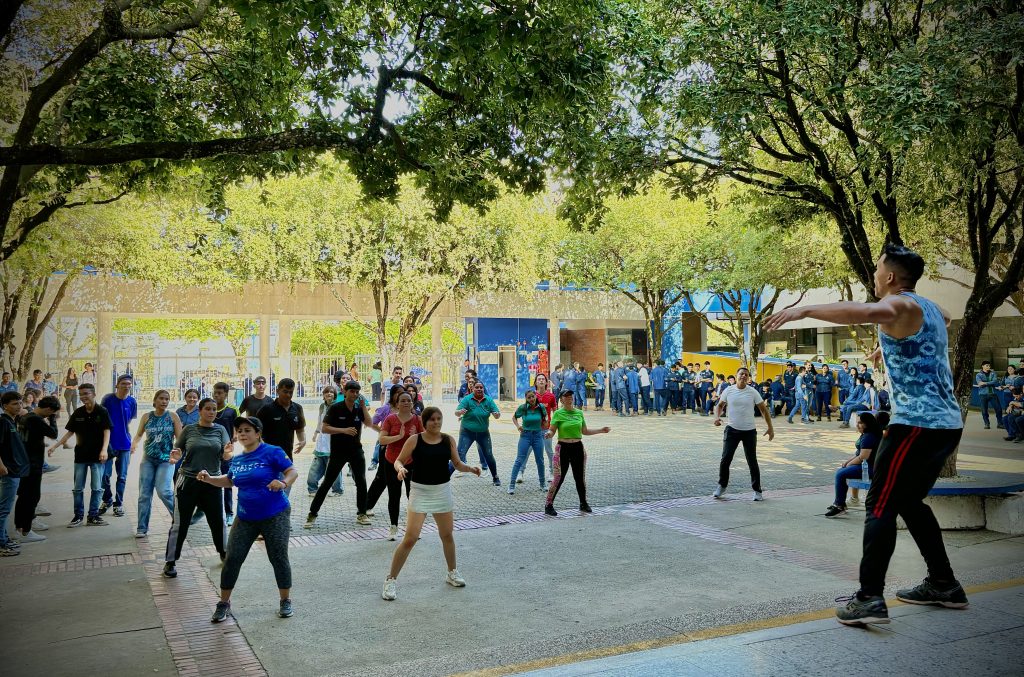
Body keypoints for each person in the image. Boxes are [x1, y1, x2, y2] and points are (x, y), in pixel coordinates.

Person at [765, 243, 969, 626]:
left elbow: (865, 311)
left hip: (915, 425)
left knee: (879, 505)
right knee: (910, 503)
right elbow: (943, 315)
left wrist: (804, 308)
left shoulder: (898, 306)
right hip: (946, 424)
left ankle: (869, 598)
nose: (875, 276)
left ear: (890, 277)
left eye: (878, 270)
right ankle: (943, 583)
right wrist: (887, 348)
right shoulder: (926, 307)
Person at [198, 417, 298, 621]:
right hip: (245, 517)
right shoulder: (238, 458)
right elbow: (229, 481)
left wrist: (283, 482)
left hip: (275, 514)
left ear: (258, 433)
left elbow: (292, 471)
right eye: (239, 431)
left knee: (278, 557)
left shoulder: (272, 451)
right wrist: (209, 479)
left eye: (247, 430)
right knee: (232, 558)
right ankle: (223, 603)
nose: (242, 434)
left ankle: (285, 600)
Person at [381, 406, 480, 600]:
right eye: (432, 419)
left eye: (439, 419)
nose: (436, 422)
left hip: (442, 491)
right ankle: (390, 580)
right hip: (420, 491)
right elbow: (398, 461)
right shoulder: (414, 440)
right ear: (424, 422)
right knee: (410, 538)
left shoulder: (447, 440)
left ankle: (452, 572)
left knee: (447, 535)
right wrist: (400, 469)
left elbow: (457, 463)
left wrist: (471, 469)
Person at [162, 398, 232, 578]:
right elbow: (177, 452)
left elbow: (226, 454)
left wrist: (228, 453)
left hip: (212, 482)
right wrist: (175, 457)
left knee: (218, 521)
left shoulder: (220, 430)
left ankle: (224, 553)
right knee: (180, 523)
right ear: (200, 411)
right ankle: (170, 561)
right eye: (208, 409)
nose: (211, 412)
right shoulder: (189, 430)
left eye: (214, 409)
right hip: (188, 482)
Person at [305, 381, 379, 528]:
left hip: (356, 450)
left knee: (361, 481)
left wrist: (364, 407)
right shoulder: (335, 408)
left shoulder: (359, 408)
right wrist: (343, 430)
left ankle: (362, 513)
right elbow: (324, 428)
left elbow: (370, 423)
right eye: (352, 391)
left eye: (357, 392)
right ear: (345, 392)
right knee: (327, 482)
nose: (355, 394)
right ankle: (312, 514)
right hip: (338, 452)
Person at [47, 383, 111, 527]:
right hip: (81, 456)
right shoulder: (78, 413)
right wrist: (55, 446)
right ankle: (78, 516)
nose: (83, 397)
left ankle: (93, 516)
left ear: (94, 394)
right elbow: (70, 432)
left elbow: (107, 431)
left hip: (97, 457)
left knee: (97, 488)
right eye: (81, 394)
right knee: (78, 488)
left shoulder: (102, 411)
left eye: (86, 394)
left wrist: (104, 450)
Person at [543, 390, 610, 516]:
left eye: (570, 396)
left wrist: (601, 430)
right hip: (563, 448)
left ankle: (583, 503)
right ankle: (548, 504)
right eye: (566, 396)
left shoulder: (579, 413)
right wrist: (549, 434)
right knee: (559, 478)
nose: (569, 398)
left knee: (579, 478)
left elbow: (584, 431)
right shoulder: (558, 413)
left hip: (578, 447)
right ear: (561, 400)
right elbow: (552, 430)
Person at [712, 367, 774, 501]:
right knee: (725, 459)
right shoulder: (728, 390)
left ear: (748, 378)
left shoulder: (753, 392)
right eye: (741, 374)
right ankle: (721, 486)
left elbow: (763, 410)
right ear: (736, 375)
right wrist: (716, 418)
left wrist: (770, 427)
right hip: (732, 430)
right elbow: (719, 405)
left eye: (746, 375)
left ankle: (757, 491)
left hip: (749, 432)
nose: (743, 376)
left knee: (752, 461)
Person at [368, 392, 423, 540]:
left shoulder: (417, 419)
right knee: (394, 495)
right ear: (397, 404)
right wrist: (398, 436)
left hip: (411, 462)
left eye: (408, 401)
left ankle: (413, 529)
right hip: (391, 461)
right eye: (402, 401)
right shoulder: (390, 419)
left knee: (412, 495)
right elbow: (382, 440)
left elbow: (425, 440)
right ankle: (393, 527)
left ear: (412, 404)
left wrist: (416, 434)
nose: (406, 403)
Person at [129, 390, 182, 538]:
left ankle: (180, 519)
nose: (164, 401)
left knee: (164, 491)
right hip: (148, 460)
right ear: (155, 400)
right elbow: (139, 434)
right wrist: (134, 444)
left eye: (167, 399)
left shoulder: (172, 416)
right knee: (144, 494)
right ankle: (142, 528)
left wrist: (177, 455)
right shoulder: (147, 417)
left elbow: (180, 439)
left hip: (166, 460)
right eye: (161, 398)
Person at [13, 395, 60, 544]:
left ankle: (20, 528)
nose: (51, 415)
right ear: (48, 409)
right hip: (32, 464)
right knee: (31, 497)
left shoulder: (26, 416)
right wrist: (52, 419)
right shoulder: (35, 419)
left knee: (24, 497)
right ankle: (26, 531)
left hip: (24, 463)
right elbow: (53, 434)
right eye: (51, 412)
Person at [825, 412, 883, 518]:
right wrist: (848, 462)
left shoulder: (869, 437)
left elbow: (863, 457)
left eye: (860, 423)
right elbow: (859, 453)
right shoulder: (867, 434)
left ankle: (839, 506)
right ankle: (840, 502)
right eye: (857, 422)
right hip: (868, 466)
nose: (857, 425)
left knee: (840, 474)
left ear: (868, 423)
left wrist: (850, 464)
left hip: (871, 469)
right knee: (842, 471)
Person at [97, 374, 137, 518]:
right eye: (124, 383)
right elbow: (101, 418)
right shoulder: (108, 399)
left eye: (129, 384)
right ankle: (107, 499)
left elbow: (129, 420)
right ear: (117, 385)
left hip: (125, 444)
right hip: (108, 444)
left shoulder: (132, 402)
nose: (126, 386)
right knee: (104, 475)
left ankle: (118, 504)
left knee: (122, 477)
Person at [454, 381, 501, 484]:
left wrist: (496, 414)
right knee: (459, 454)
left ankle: (495, 477)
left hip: (483, 433)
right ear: (473, 389)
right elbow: (456, 412)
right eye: (477, 387)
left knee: (489, 455)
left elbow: (497, 414)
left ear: (483, 389)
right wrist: (460, 412)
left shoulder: (488, 400)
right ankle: (445, 477)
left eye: (481, 387)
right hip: (467, 432)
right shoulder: (467, 399)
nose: (479, 389)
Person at [0, 392, 31, 555]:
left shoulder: (12, 421)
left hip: (15, 470)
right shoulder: (3, 422)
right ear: (5, 406)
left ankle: (4, 539)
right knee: (3, 509)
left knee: (4, 508)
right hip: (8, 471)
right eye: (14, 404)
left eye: (20, 403)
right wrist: (1, 465)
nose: (19, 406)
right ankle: (1, 544)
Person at [509, 389, 548, 493]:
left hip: (538, 436)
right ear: (526, 398)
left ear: (536, 396)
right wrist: (518, 426)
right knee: (519, 459)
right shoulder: (523, 408)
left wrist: (545, 422)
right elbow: (514, 417)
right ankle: (511, 485)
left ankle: (542, 484)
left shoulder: (541, 407)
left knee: (540, 460)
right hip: (525, 436)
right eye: (529, 397)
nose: (531, 399)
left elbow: (545, 418)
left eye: (532, 396)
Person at [308, 385, 344, 497]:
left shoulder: (339, 407)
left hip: (333, 441)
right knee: (315, 467)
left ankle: (337, 490)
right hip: (322, 441)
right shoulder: (322, 407)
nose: (329, 394)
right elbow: (320, 421)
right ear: (323, 395)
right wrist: (316, 433)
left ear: (335, 395)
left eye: (332, 392)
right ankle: (312, 488)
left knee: (333, 467)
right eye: (327, 392)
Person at [369, 385, 406, 472]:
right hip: (386, 443)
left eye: (402, 393)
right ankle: (374, 461)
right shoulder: (385, 409)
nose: (400, 395)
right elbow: (372, 423)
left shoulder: (406, 408)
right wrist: (383, 432)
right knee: (384, 472)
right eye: (398, 393)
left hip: (402, 444)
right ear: (392, 394)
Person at [534, 373, 556, 482]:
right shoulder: (532, 395)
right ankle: (521, 472)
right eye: (539, 379)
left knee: (549, 450)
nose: (541, 381)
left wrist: (553, 427)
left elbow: (555, 412)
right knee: (527, 451)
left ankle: (551, 472)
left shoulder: (551, 396)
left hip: (547, 429)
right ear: (535, 382)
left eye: (543, 379)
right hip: (533, 430)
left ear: (546, 382)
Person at [975, 361, 1003, 430]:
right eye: (987, 365)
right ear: (982, 366)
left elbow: (995, 381)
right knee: (984, 411)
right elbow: (979, 383)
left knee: (999, 409)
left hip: (993, 394)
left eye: (989, 366)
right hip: (983, 395)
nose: (988, 367)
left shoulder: (993, 373)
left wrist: (984, 383)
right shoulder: (978, 375)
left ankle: (1000, 424)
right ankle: (987, 424)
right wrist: (988, 383)